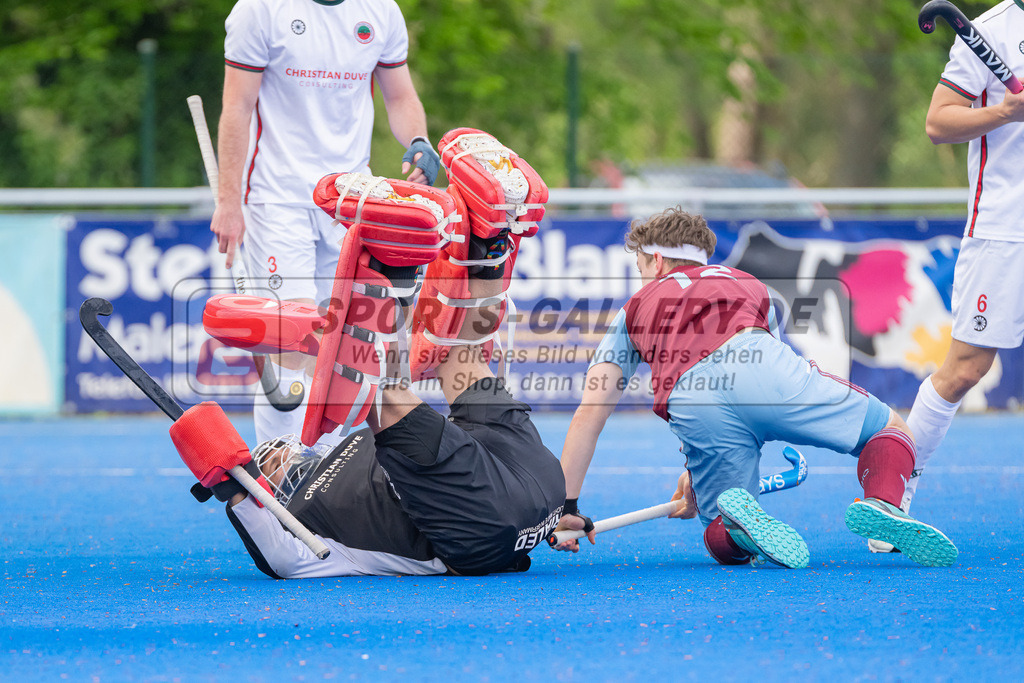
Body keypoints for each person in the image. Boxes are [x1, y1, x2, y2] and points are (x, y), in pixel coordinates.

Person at [551, 207, 959, 568]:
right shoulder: (748, 283)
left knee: (721, 536)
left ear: (656, 261)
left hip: (689, 399)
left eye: (640, 268)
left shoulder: (634, 308)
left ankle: (737, 525)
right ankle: (882, 502)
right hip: (760, 366)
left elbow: (590, 413)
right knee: (888, 429)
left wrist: (568, 507)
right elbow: (760, 391)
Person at [174, 243, 566, 578]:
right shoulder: (302, 529)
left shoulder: (342, 450)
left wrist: (568, 510)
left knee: (455, 354)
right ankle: (382, 292)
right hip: (479, 530)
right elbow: (278, 561)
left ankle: (487, 250)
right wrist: (229, 483)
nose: (284, 452)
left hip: (543, 488)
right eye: (273, 463)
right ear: (265, 490)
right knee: (381, 396)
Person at [211, 0, 441, 445]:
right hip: (278, 200)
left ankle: (331, 477)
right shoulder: (259, 9)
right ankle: (279, 476)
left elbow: (399, 95)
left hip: (352, 202)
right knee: (292, 343)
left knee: (345, 344)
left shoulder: (380, 11)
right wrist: (228, 200)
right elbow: (237, 106)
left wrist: (418, 140)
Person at [866, 1, 1024, 552]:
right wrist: (1006, 113)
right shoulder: (993, 30)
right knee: (965, 368)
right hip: (1007, 232)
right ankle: (888, 496)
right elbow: (938, 122)